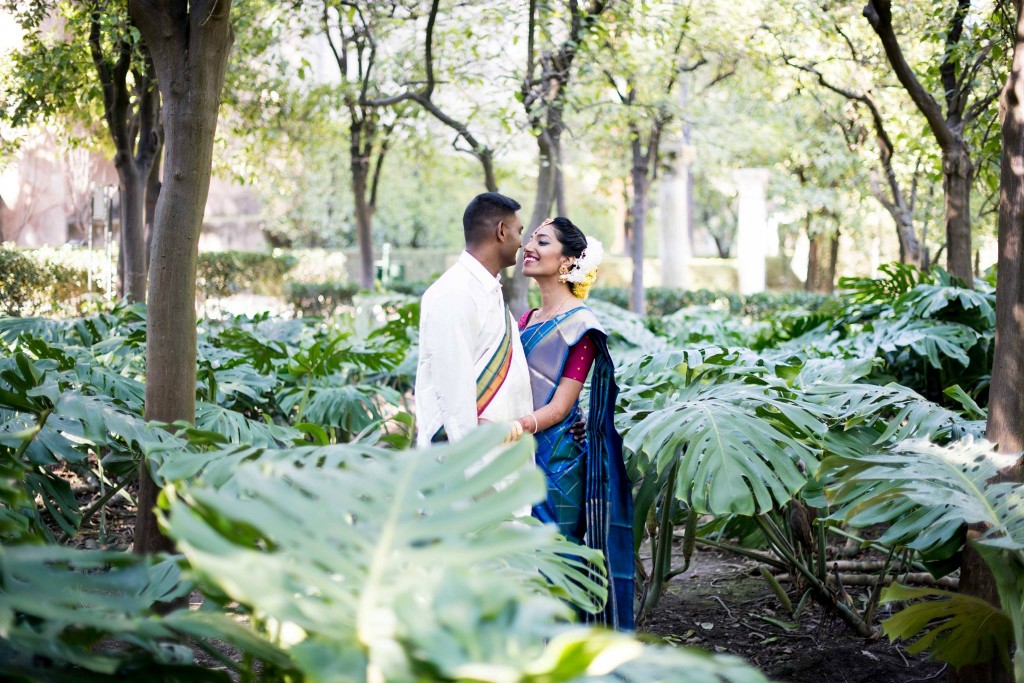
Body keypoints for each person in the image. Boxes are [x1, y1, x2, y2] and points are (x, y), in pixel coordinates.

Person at [514, 216, 635, 631]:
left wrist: (510, 427)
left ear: (567, 261)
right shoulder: (524, 320)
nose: (529, 246)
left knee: (556, 560)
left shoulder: (580, 325)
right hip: (517, 458)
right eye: (530, 239)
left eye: (541, 241)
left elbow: (562, 406)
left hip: (558, 462)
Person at [415, 192, 533, 447]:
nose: (522, 243)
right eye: (519, 231)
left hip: (500, 458)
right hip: (469, 467)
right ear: (502, 231)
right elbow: (454, 396)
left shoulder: (487, 291)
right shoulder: (455, 293)